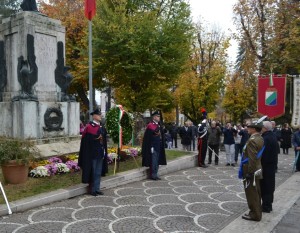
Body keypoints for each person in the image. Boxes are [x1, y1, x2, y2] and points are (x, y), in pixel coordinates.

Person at [78, 109, 107, 196]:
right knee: (93, 171)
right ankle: (92, 189)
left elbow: (103, 140)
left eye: (100, 115)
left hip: (100, 153)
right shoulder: (89, 127)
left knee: (98, 172)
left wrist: (104, 150)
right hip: (92, 154)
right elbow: (86, 143)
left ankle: (97, 188)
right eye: (98, 115)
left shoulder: (101, 126)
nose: (100, 116)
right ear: (94, 116)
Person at [241, 120, 264, 221]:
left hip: (252, 170)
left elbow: (252, 158)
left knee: (252, 193)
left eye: (249, 127)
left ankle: (254, 214)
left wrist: (250, 172)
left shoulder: (252, 140)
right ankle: (257, 212)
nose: (247, 128)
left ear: (254, 129)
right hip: (257, 168)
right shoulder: (260, 138)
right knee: (256, 192)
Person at [142, 111, 167, 180]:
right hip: (153, 146)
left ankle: (156, 174)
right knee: (154, 161)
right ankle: (153, 175)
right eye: (158, 116)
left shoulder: (159, 125)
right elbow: (148, 138)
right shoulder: (150, 125)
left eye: (159, 116)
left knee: (158, 161)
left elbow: (161, 135)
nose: (159, 118)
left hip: (159, 145)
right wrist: (151, 146)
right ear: (154, 117)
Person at [260, 121, 278, 213]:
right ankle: (268, 205)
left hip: (266, 166)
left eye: (262, 127)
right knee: (270, 186)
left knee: (266, 186)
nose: (261, 128)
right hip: (271, 165)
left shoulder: (266, 138)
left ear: (265, 128)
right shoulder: (272, 135)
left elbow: (264, 154)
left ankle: (266, 206)